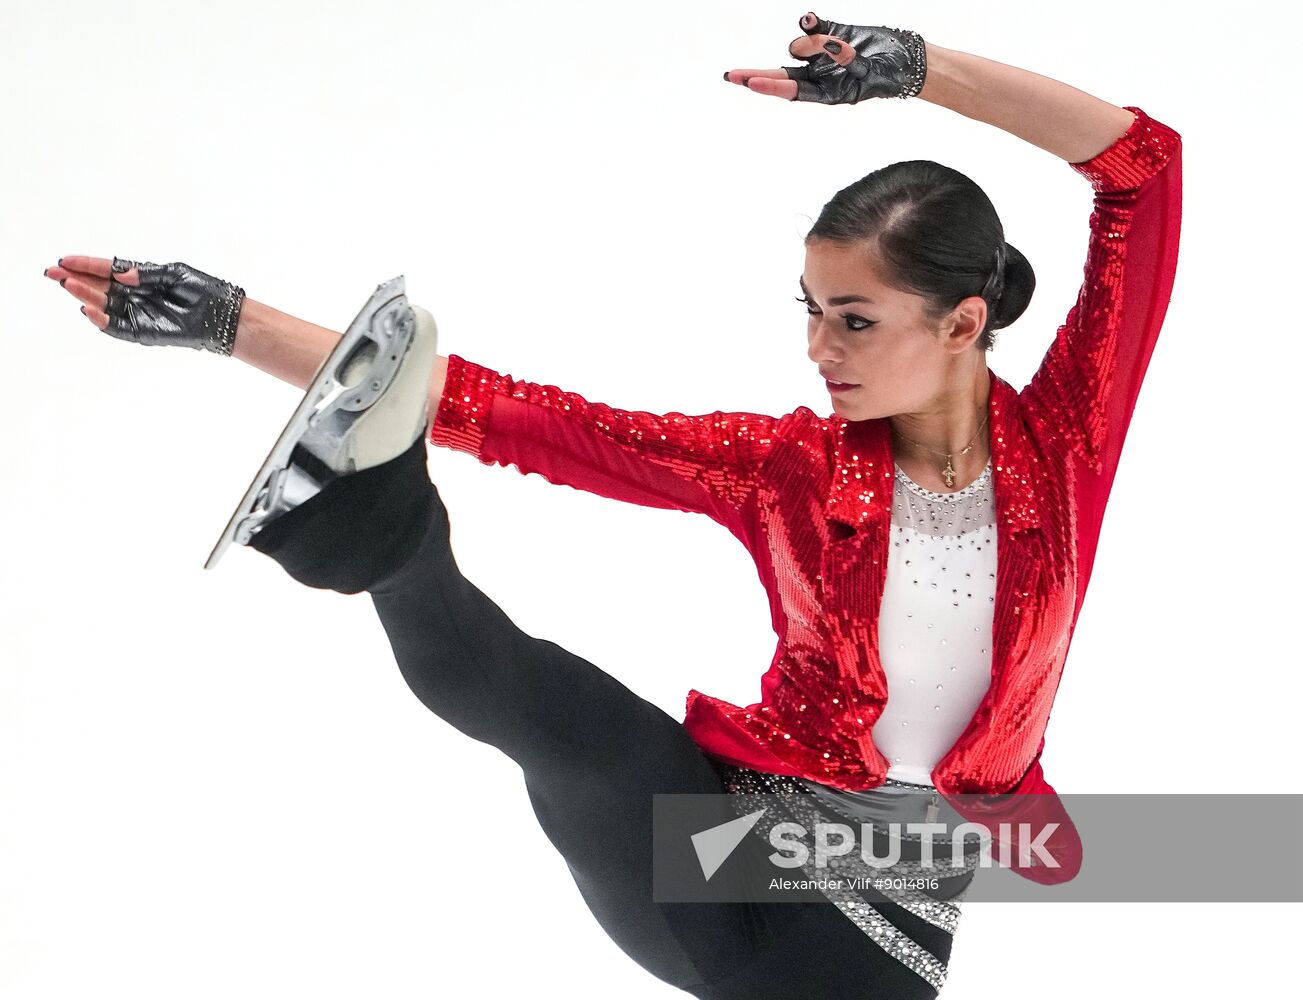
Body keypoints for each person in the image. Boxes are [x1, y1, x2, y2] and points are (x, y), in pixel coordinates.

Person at [43, 10, 1182, 997]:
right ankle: (375, 519)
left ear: (963, 323)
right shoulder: (785, 467)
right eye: (807, 309)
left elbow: (1143, 166)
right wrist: (228, 322)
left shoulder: (1064, 447)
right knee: (553, 712)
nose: (816, 348)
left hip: (872, 933)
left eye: (853, 320)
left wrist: (918, 70)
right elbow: (523, 416)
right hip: (721, 836)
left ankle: (370, 521)